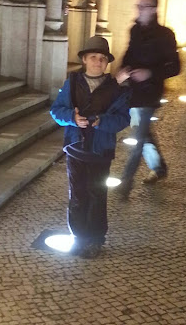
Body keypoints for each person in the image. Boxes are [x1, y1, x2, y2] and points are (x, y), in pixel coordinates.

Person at [50, 36, 130, 258]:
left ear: (107, 63)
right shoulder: (73, 83)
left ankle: (95, 239)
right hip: (76, 148)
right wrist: (72, 118)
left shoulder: (116, 90)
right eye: (93, 57)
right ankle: (78, 236)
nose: (98, 61)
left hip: (100, 151)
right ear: (84, 59)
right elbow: (57, 111)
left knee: (97, 194)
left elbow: (123, 119)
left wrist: (101, 122)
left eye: (102, 58)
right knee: (77, 194)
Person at [116, 0, 180, 199]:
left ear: (153, 9)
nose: (139, 10)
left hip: (150, 93)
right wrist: (123, 70)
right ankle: (160, 168)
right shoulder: (134, 30)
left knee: (138, 137)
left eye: (143, 7)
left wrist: (150, 73)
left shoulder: (165, 35)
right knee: (144, 134)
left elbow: (175, 67)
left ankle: (126, 183)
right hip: (133, 92)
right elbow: (128, 54)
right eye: (138, 6)